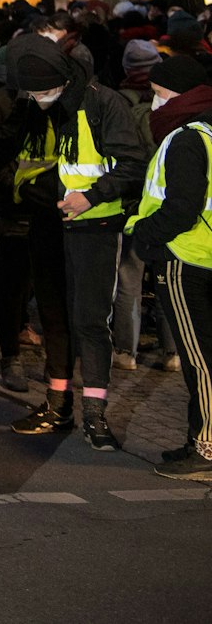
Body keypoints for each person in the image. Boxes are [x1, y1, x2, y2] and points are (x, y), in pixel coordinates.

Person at [0, 35, 146, 449]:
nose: (38, 99)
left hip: (95, 227)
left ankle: (95, 414)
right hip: (50, 220)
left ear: (63, 80)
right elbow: (6, 142)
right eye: (31, 93)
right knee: (54, 316)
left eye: (44, 92)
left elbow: (133, 164)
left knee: (89, 319)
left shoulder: (104, 105)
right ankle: (57, 404)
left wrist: (92, 197)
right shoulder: (34, 101)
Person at [125, 56, 212, 480]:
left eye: (159, 95)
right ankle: (199, 439)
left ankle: (208, 449)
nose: (153, 103)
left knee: (200, 360)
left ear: (179, 95)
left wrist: (143, 232)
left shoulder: (187, 138)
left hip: (185, 258)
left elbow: (180, 207)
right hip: (205, 256)